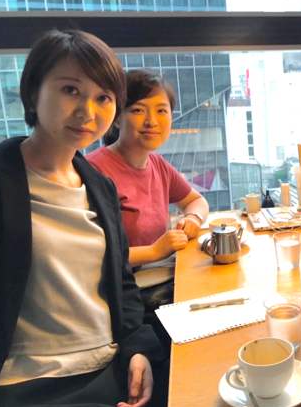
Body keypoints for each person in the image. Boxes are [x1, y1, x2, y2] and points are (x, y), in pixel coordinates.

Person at [0, 30, 166, 407]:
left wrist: (138, 350)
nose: (87, 111)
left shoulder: (99, 186)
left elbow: (121, 281)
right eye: (70, 89)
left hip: (111, 370)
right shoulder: (0, 183)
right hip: (33, 387)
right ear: (32, 94)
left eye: (103, 97)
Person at [86, 69, 209, 309]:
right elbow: (90, 253)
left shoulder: (156, 164)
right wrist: (153, 251)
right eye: (138, 110)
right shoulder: (95, 171)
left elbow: (196, 201)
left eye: (161, 111)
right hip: (118, 295)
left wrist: (193, 218)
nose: (151, 121)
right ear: (116, 117)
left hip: (156, 277)